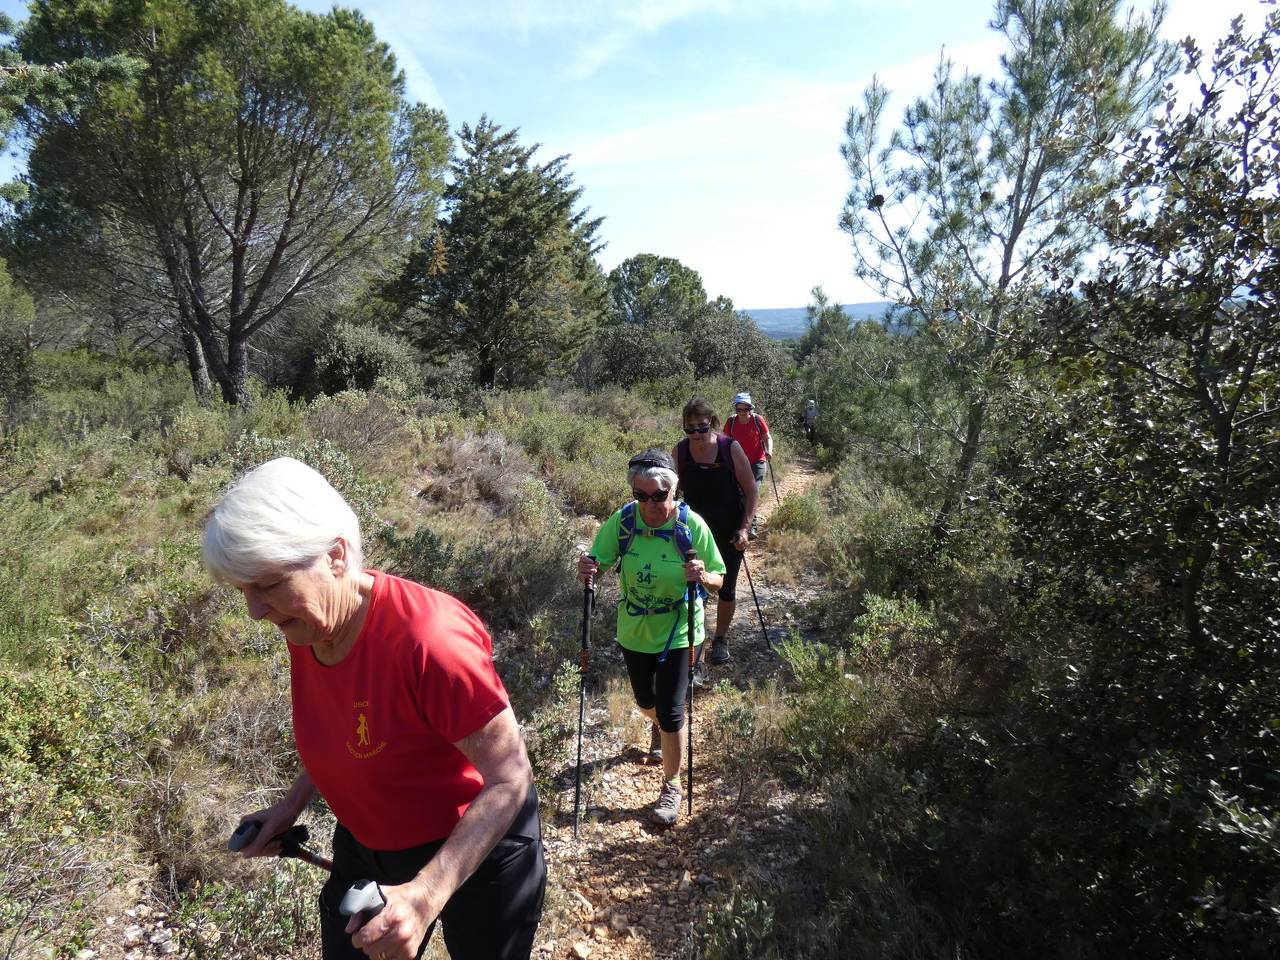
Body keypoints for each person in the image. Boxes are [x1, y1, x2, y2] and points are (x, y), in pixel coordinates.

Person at [205, 457, 545, 960]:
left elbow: (511, 777)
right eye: (244, 590)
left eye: (268, 584)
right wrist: (290, 806)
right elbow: (348, 733)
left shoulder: (429, 641)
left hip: (478, 843)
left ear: (335, 556)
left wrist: (424, 896)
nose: (256, 610)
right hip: (368, 844)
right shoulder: (308, 622)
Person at [576, 449, 725, 825]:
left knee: (672, 711)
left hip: (680, 630)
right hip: (635, 630)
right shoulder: (624, 521)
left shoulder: (692, 527)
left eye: (658, 495)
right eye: (641, 496)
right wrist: (588, 568)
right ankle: (656, 725)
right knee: (646, 701)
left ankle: (671, 785)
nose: (650, 503)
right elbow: (600, 561)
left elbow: (720, 580)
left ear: (674, 491)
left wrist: (702, 576)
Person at [672, 397, 758, 671]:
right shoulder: (680, 452)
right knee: (692, 586)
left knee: (726, 588)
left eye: (702, 427)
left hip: (728, 529)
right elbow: (671, 493)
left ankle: (720, 639)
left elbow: (752, 489)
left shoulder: (729, 448)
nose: (696, 433)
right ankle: (692, 645)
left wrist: (745, 528)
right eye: (690, 428)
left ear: (712, 423)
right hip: (693, 533)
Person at [722, 392, 772, 534]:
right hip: (738, 463)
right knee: (741, 494)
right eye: (739, 409)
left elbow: (767, 437)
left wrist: (769, 451)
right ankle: (743, 522)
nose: (742, 413)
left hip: (758, 462)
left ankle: (751, 526)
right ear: (735, 409)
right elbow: (724, 442)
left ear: (750, 408)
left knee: (752, 491)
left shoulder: (758, 420)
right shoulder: (731, 422)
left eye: (745, 409)